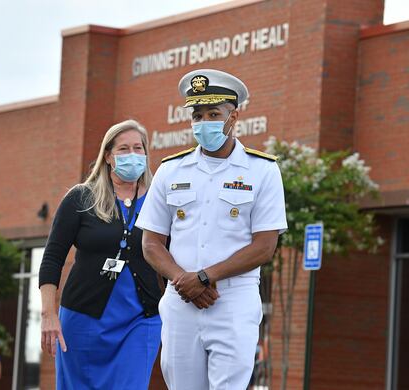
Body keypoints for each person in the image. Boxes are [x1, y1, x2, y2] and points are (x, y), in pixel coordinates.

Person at [136, 69, 288, 390]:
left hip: (232, 301)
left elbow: (264, 246)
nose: (204, 122)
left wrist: (204, 277)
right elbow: (151, 243)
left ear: (234, 116)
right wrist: (184, 280)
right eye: (198, 115)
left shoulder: (262, 170)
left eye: (214, 114)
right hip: (181, 300)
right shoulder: (170, 169)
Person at [39, 119, 162, 389]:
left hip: (141, 320)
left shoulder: (159, 199)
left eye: (138, 148)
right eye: (124, 149)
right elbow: (52, 257)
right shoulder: (81, 198)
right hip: (83, 320)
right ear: (108, 156)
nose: (133, 155)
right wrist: (48, 313)